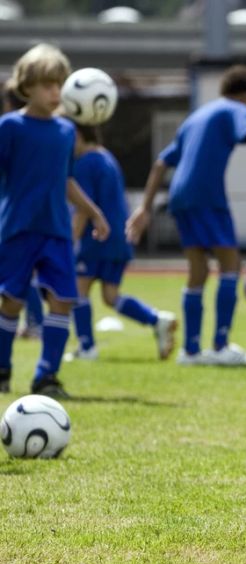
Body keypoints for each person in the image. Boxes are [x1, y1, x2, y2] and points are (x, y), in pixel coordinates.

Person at [126, 64, 246, 366]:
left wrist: (144, 208)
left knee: (197, 271)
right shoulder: (234, 108)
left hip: (180, 196)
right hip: (206, 196)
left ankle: (190, 351)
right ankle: (220, 345)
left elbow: (161, 164)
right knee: (230, 265)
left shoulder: (197, 116)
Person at [0, 43, 110, 397]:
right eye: (47, 85)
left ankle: (47, 377)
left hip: (57, 231)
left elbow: (66, 181)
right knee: (11, 302)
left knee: (63, 298)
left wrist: (93, 212)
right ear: (26, 87)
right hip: (18, 227)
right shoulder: (10, 127)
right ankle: (2, 369)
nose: (53, 92)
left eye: (58, 84)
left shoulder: (65, 132)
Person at [67, 123, 177, 361]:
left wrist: (70, 241)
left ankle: (86, 348)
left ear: (76, 136)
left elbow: (84, 209)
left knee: (78, 290)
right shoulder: (106, 157)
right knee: (110, 296)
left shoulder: (85, 162)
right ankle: (157, 320)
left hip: (96, 239)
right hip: (119, 238)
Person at [1, 78, 44, 340]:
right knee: (22, 276)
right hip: (25, 215)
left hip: (15, 217)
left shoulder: (12, 130)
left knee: (19, 276)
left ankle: (36, 323)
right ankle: (35, 322)